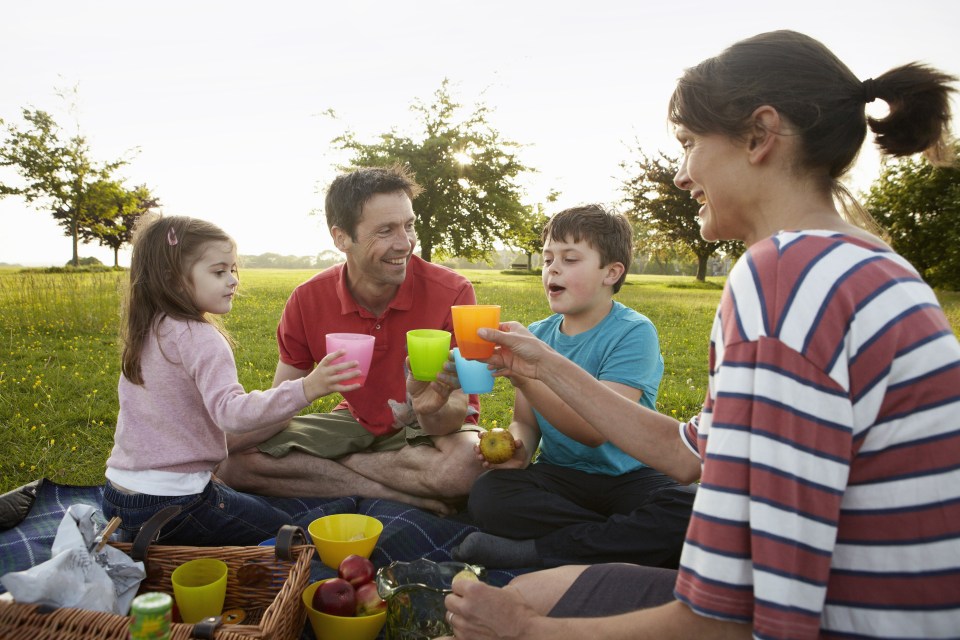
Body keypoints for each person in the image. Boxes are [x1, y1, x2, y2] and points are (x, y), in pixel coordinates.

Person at [440, 30, 960, 639]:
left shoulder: (784, 277)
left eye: (689, 143)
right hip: (874, 604)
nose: (684, 174)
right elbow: (691, 454)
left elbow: (723, 619)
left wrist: (525, 633)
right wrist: (541, 365)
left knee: (516, 611)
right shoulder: (865, 261)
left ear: (760, 136)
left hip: (855, 624)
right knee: (529, 589)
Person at [216, 165, 485, 514]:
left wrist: (425, 408)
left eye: (409, 225)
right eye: (386, 230)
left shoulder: (453, 292)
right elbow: (279, 405)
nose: (405, 243)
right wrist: (223, 444)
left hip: (430, 429)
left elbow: (455, 414)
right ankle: (396, 493)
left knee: (467, 469)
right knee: (229, 461)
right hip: (355, 423)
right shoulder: (308, 299)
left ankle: (342, 473)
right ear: (342, 238)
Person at [453, 205, 695, 570]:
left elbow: (595, 432)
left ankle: (540, 551)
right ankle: (619, 542)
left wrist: (526, 375)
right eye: (548, 258)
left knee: (692, 511)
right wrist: (520, 448)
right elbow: (527, 422)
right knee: (490, 495)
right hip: (562, 477)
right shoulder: (537, 333)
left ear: (611, 273)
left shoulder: (634, 332)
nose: (552, 267)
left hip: (632, 475)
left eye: (569, 259)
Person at [102, 214, 364, 545]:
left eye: (232, 269)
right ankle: (347, 511)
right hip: (175, 505)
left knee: (244, 507)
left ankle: (151, 543)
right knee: (285, 529)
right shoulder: (201, 338)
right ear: (172, 278)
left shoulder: (147, 329)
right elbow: (232, 414)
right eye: (218, 271)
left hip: (118, 498)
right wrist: (308, 387)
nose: (232, 280)